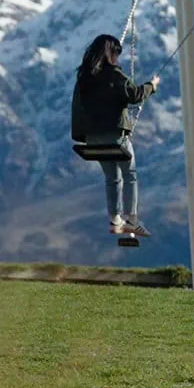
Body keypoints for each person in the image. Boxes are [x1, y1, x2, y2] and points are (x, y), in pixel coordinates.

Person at [71, 34, 158, 237]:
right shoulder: (114, 75)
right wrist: (151, 86)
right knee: (130, 174)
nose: (118, 58)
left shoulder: (84, 77)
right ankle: (132, 219)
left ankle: (115, 219)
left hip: (92, 140)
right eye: (116, 54)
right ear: (110, 54)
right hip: (114, 138)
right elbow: (134, 95)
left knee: (112, 178)